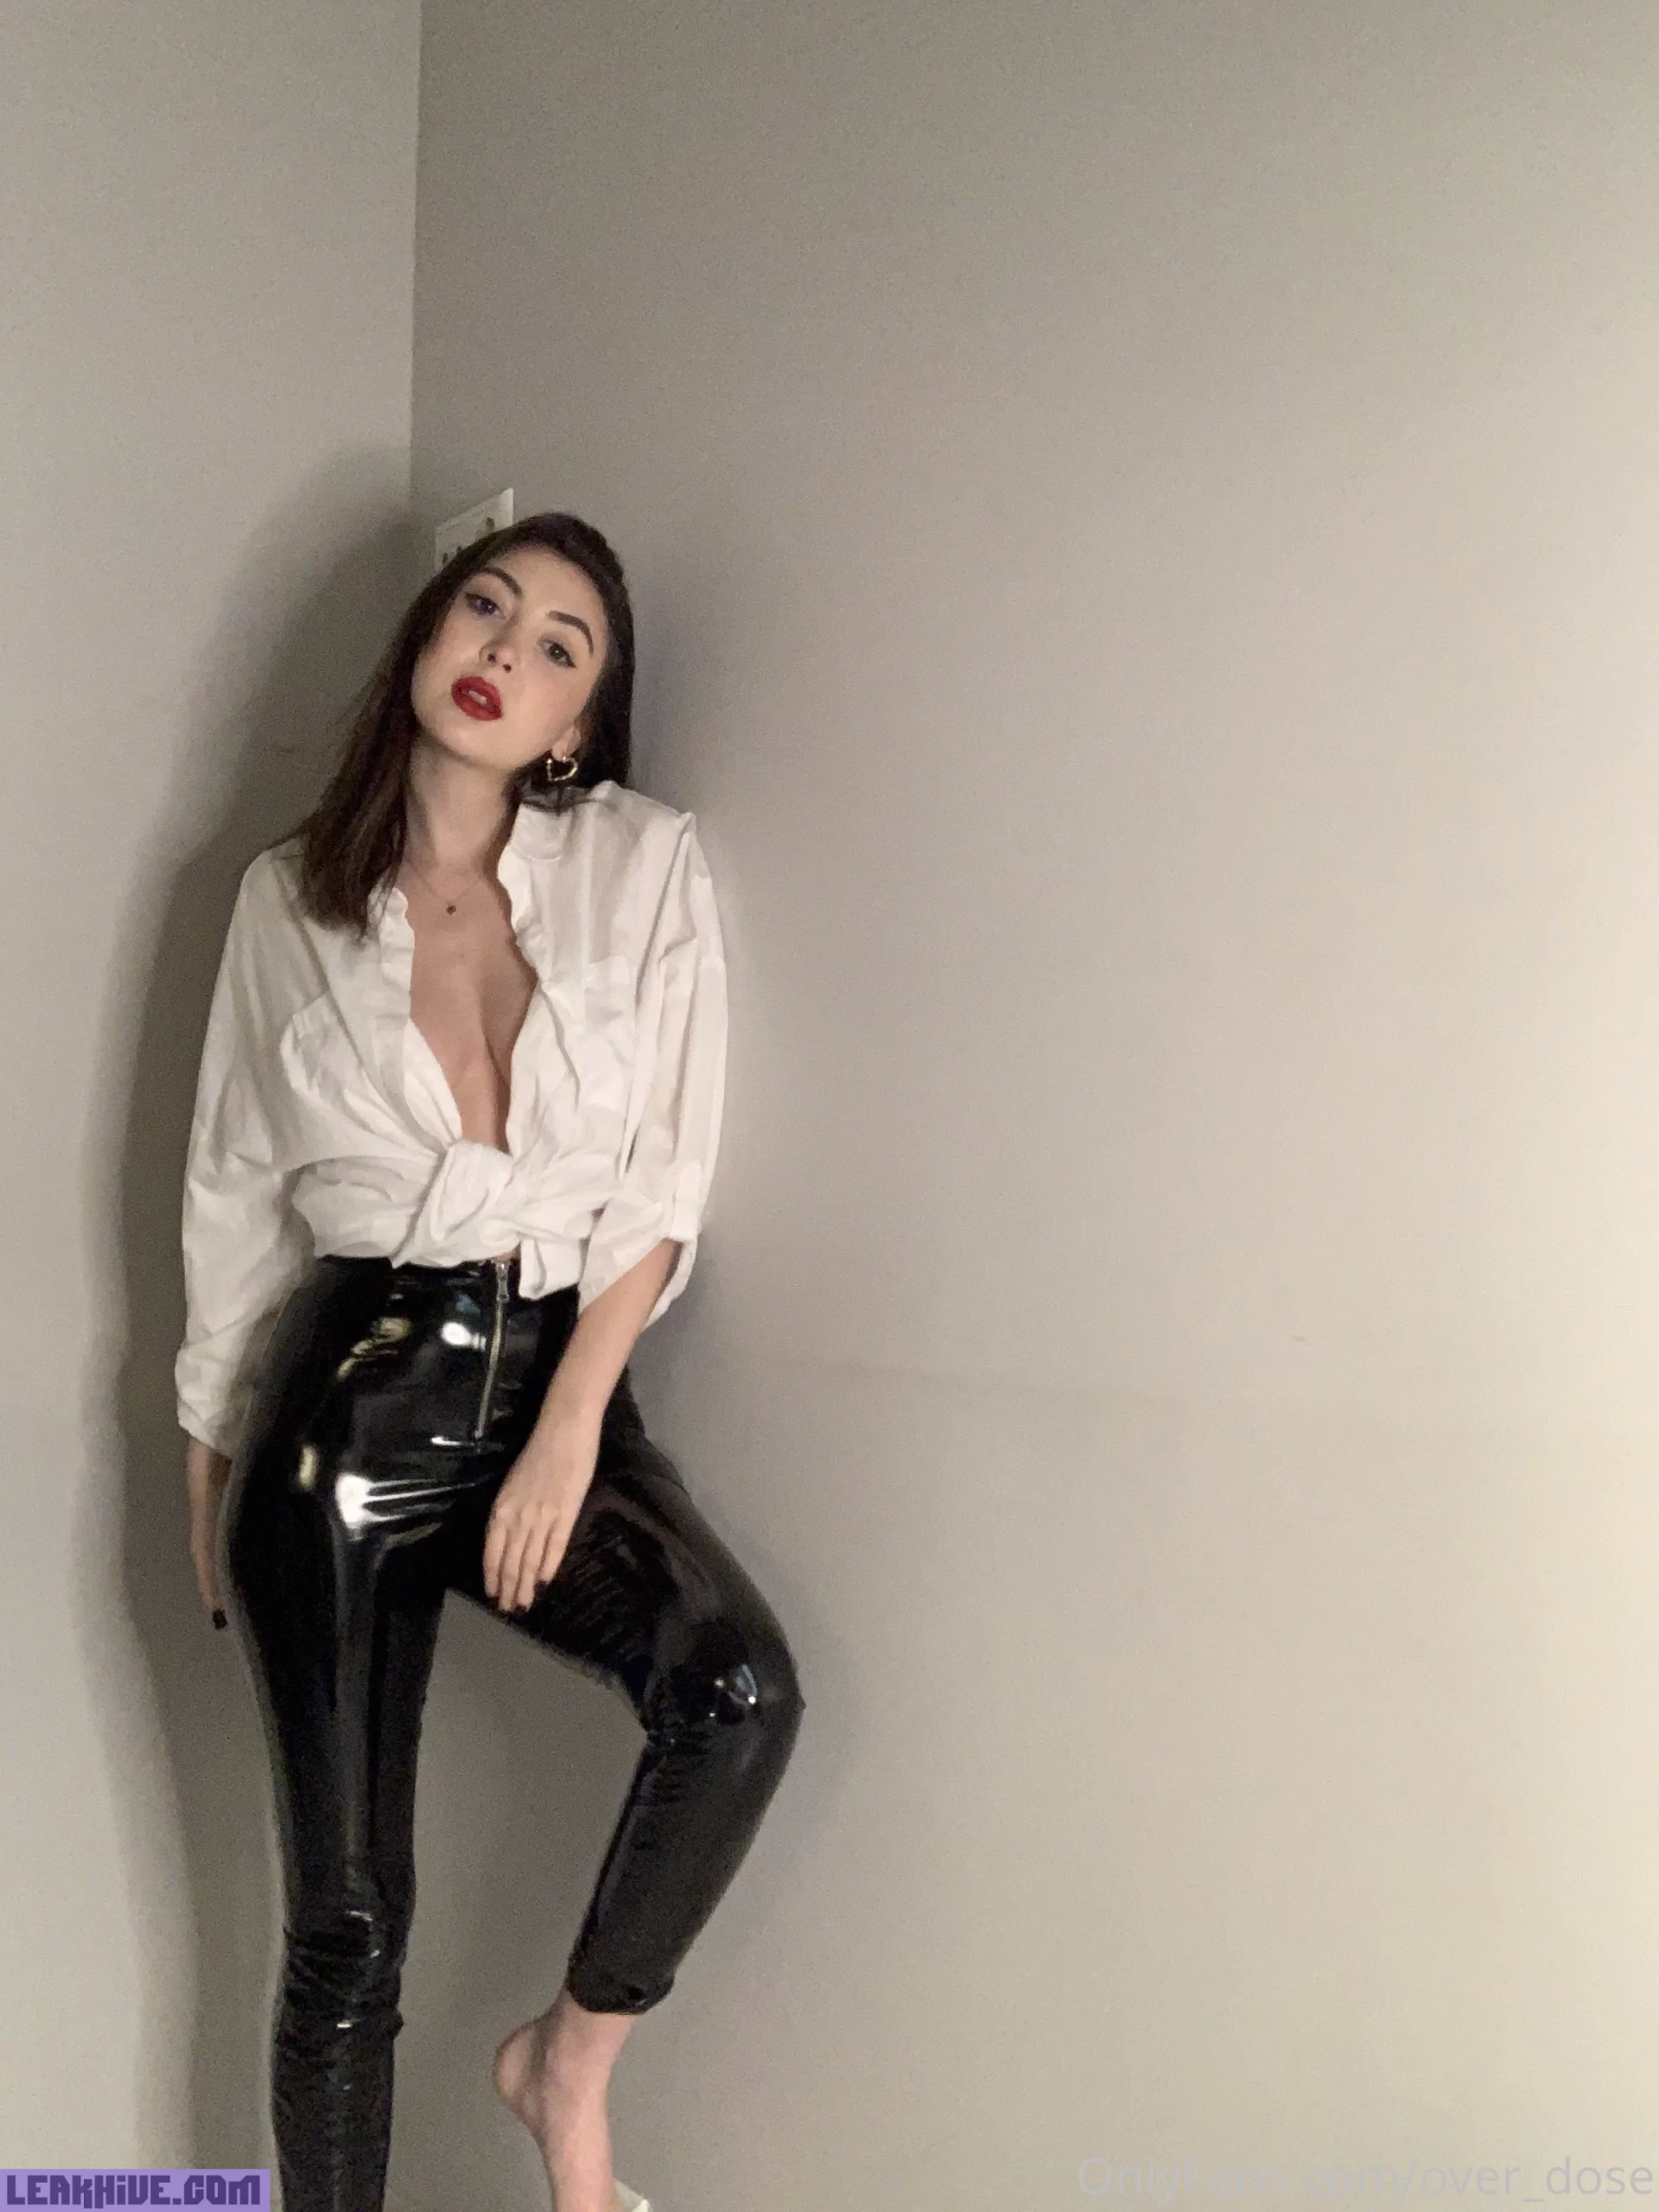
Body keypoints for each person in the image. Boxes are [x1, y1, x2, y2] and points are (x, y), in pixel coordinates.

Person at [175, 511, 805, 2212]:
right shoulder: (285, 898)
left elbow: (665, 1179)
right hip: (339, 1410)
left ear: (578, 722)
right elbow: (231, 1188)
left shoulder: (642, 866)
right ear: (428, 632)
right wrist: (206, 1459)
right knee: (346, 1920)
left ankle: (562, 2070)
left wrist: (572, 1422)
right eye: (486, 605)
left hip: (553, 1375)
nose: (505, 651)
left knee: (737, 1690)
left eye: (558, 646)